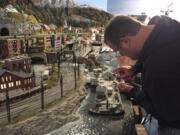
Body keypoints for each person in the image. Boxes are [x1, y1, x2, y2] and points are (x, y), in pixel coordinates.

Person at [104, 15, 180, 135]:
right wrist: (135, 68)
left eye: (118, 51)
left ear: (125, 41)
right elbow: (151, 48)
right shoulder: (165, 29)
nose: (121, 54)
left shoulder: (158, 66)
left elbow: (165, 113)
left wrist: (133, 91)